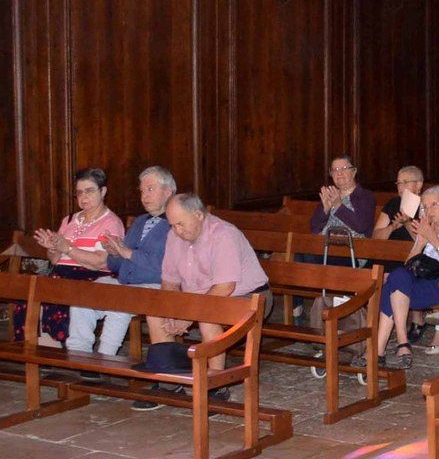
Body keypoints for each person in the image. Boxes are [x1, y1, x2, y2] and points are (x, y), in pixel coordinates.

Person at [139, 193, 271, 408]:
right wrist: (172, 310)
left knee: (209, 316)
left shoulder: (223, 234)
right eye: (172, 225)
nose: (176, 230)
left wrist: (188, 316)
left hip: (249, 297)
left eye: (181, 224)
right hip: (201, 298)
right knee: (156, 312)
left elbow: (224, 288)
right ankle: (169, 382)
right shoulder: (174, 236)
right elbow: (169, 281)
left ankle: (216, 385)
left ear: (199, 215)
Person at [67, 166, 175, 359]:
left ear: (168, 191)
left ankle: (105, 359)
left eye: (150, 189)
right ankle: (78, 355)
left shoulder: (177, 223)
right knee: (82, 297)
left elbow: (166, 267)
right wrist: (114, 254)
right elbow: (117, 266)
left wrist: (127, 253)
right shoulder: (140, 221)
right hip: (127, 282)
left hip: (158, 284)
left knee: (120, 303)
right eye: (142, 191)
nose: (144, 196)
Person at [12, 168, 125, 344]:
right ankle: (32, 344)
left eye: (89, 191)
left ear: (103, 191)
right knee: (29, 289)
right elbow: (55, 260)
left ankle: (55, 343)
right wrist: (52, 248)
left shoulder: (111, 222)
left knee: (56, 285)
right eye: (79, 193)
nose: (83, 197)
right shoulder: (69, 219)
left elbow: (100, 261)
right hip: (62, 271)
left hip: (90, 275)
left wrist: (68, 248)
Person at [366, 186, 439, 367]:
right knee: (397, 276)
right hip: (417, 282)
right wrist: (420, 243)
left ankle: (378, 351)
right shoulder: (426, 229)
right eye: (425, 207)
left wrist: (434, 240)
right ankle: (401, 343)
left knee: (390, 288)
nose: (429, 210)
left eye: (434, 205)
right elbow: (409, 266)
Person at [310, 155, 375, 240]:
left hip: (352, 247)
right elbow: (314, 227)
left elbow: (361, 226)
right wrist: (325, 210)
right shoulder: (330, 195)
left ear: (354, 172)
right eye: (335, 170)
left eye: (344, 168)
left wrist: (338, 206)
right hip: (327, 244)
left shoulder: (365, 196)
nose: (339, 173)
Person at [373, 166, 424, 241]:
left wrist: (406, 222)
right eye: (399, 183)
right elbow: (375, 237)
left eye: (405, 182)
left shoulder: (426, 204)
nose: (401, 186)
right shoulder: (393, 203)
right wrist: (393, 227)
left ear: (419, 184)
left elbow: (424, 242)